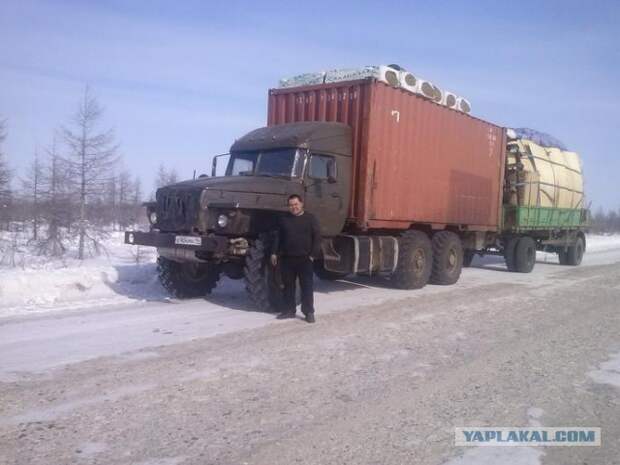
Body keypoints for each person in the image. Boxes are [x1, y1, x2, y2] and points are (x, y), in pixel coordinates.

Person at [271, 194, 321, 323]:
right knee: (288, 286)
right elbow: (278, 238)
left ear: (301, 204)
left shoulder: (310, 218)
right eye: (291, 205)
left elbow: (317, 238)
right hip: (287, 259)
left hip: (305, 260)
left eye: (296, 204)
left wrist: (312, 255)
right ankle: (289, 310)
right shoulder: (284, 219)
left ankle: (309, 312)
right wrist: (274, 253)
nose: (294, 207)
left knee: (307, 287)